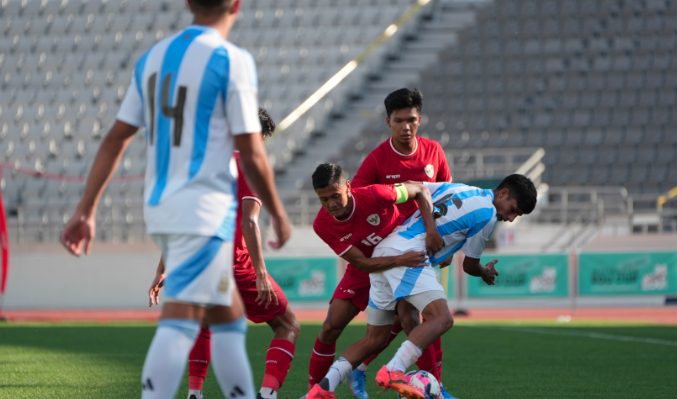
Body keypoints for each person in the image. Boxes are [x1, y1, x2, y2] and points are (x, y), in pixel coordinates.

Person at [60, 2, 292, 398]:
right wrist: (279, 214)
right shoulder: (231, 60)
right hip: (205, 209)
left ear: (187, 3)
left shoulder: (153, 59)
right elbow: (252, 152)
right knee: (182, 322)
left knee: (225, 320)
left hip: (165, 206)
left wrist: (86, 208)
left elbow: (116, 137)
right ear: (236, 5)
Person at [307, 174, 537, 399]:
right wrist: (484, 271)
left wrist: (433, 231)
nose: (510, 217)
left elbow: (419, 189)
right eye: (514, 209)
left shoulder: (456, 188)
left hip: (385, 252)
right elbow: (470, 264)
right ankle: (393, 370)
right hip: (410, 255)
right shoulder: (488, 215)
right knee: (442, 319)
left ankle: (323, 388)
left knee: (376, 338)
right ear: (503, 193)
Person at [148, 109, 299, 399]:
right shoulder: (252, 165)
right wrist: (260, 272)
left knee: (204, 322)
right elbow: (249, 220)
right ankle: (267, 394)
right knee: (287, 324)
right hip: (235, 263)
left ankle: (195, 393)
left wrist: (163, 266)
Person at [347, 88, 454, 399]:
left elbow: (446, 196)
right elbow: (358, 198)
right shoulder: (378, 158)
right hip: (392, 251)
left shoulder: (434, 152)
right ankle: (433, 386)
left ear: (419, 119)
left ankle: (366, 369)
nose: (406, 126)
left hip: (423, 249)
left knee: (412, 320)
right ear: (388, 122)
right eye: (399, 121)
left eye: (412, 120)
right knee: (422, 319)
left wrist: (444, 245)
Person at [307, 163, 444, 393]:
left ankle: (436, 388)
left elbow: (420, 190)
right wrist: (399, 260)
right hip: (369, 266)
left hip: (401, 255)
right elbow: (360, 262)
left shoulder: (376, 194)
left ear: (348, 187)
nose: (330, 204)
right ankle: (316, 391)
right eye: (323, 199)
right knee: (330, 327)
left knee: (411, 321)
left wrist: (431, 231)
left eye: (335, 196)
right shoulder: (322, 224)